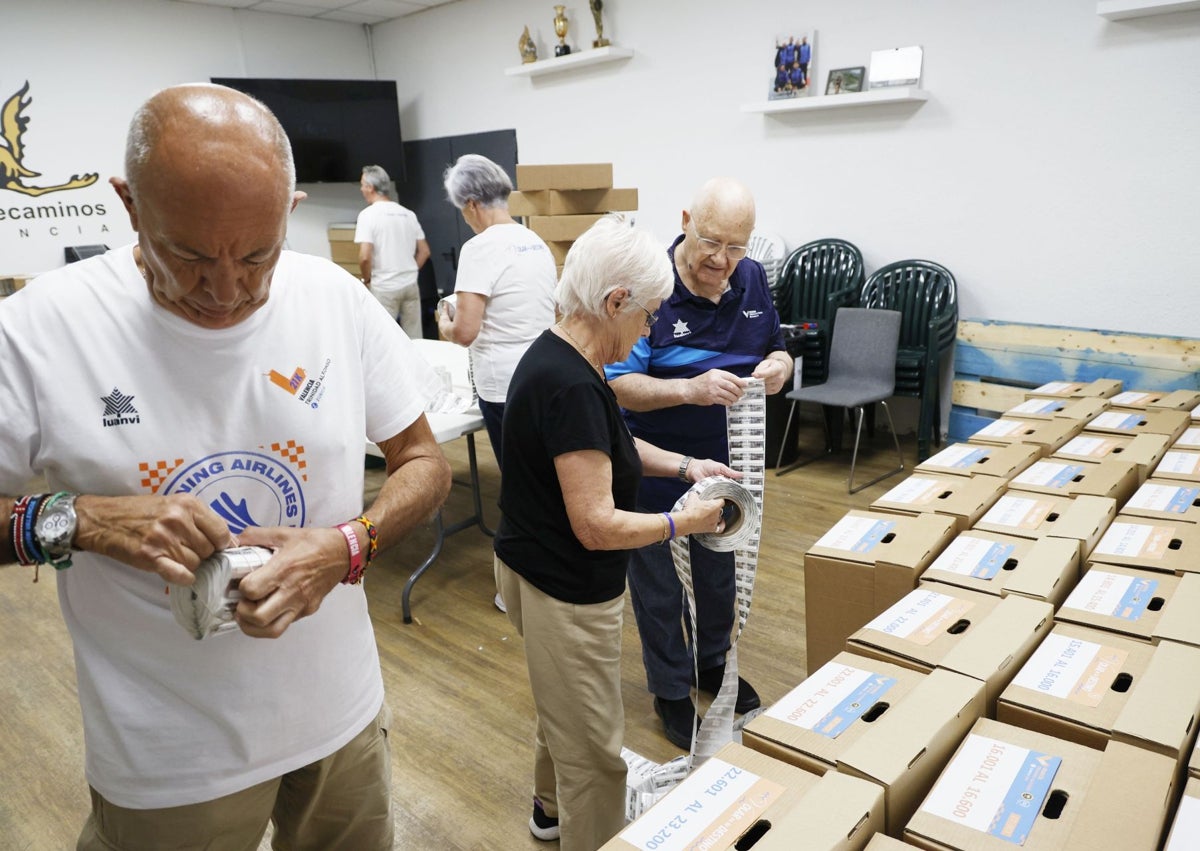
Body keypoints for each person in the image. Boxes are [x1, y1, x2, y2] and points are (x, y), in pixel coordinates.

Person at [0, 83, 452, 850]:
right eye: (188, 254)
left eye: (256, 254)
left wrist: (348, 544)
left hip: (340, 718)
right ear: (129, 205)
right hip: (169, 758)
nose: (226, 289)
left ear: (291, 209)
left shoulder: (334, 300)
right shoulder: (38, 328)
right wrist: (82, 518)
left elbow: (422, 462)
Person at [495, 215, 736, 851]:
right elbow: (598, 527)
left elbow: (611, 444)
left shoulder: (561, 354)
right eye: (649, 313)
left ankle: (548, 812)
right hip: (565, 587)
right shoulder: (571, 384)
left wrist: (686, 466)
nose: (651, 327)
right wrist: (684, 523)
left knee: (560, 709)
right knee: (597, 753)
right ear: (614, 302)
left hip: (529, 567)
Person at [606, 178, 793, 750]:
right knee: (659, 583)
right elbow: (620, 386)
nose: (722, 261)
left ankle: (711, 665)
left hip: (727, 464)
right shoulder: (650, 286)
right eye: (711, 242)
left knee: (719, 570)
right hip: (657, 463)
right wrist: (689, 389)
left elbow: (776, 344)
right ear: (685, 219)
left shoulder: (752, 276)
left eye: (737, 247)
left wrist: (781, 365)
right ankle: (669, 688)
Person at [437, 153, 557, 473]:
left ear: (472, 204)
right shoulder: (534, 242)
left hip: (504, 385)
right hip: (546, 375)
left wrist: (445, 322)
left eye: (463, 210)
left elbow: (465, 332)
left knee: (520, 480)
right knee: (545, 472)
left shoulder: (479, 248)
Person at [355, 164, 431, 339]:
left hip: (384, 287)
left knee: (385, 339)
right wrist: (410, 270)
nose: (361, 189)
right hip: (410, 284)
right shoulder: (408, 214)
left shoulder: (368, 215)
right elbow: (425, 251)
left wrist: (366, 280)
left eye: (362, 185)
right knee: (415, 340)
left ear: (370, 187)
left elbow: (365, 256)